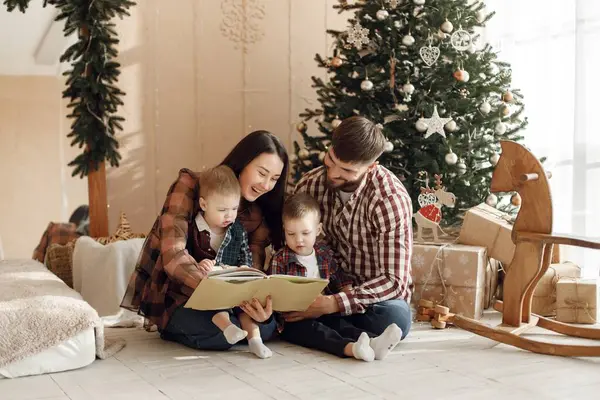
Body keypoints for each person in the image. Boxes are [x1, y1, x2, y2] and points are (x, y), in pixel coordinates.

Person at [120, 130, 288, 352]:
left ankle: (239, 329)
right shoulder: (191, 186)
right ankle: (220, 329)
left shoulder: (256, 214)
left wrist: (255, 303)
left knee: (267, 327)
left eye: (274, 179)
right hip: (180, 296)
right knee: (217, 333)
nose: (266, 185)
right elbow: (173, 254)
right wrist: (213, 286)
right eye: (262, 173)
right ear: (243, 163)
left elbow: (252, 269)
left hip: (231, 299)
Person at [286, 116, 413, 341]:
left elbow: (395, 282)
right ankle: (346, 333)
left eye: (346, 169)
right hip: (319, 288)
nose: (333, 173)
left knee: (396, 318)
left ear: (371, 167)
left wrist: (332, 304)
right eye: (331, 160)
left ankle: (328, 325)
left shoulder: (389, 198)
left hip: (371, 300)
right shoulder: (308, 185)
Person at [269, 193, 403, 361]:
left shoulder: (323, 253)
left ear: (318, 230)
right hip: (293, 320)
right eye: (291, 234)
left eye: (305, 233)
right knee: (318, 332)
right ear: (284, 231)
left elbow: (338, 275)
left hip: (322, 311)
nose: (299, 240)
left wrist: (345, 290)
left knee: (340, 324)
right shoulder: (280, 259)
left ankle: (373, 341)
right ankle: (351, 349)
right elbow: (273, 289)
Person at [193, 165, 272, 359]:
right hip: (207, 291)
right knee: (216, 307)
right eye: (222, 210)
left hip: (234, 286)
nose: (229, 215)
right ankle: (229, 329)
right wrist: (200, 264)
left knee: (245, 309)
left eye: (234, 208)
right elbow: (185, 259)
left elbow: (245, 256)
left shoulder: (237, 230)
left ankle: (255, 341)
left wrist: (246, 269)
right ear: (204, 205)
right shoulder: (193, 229)